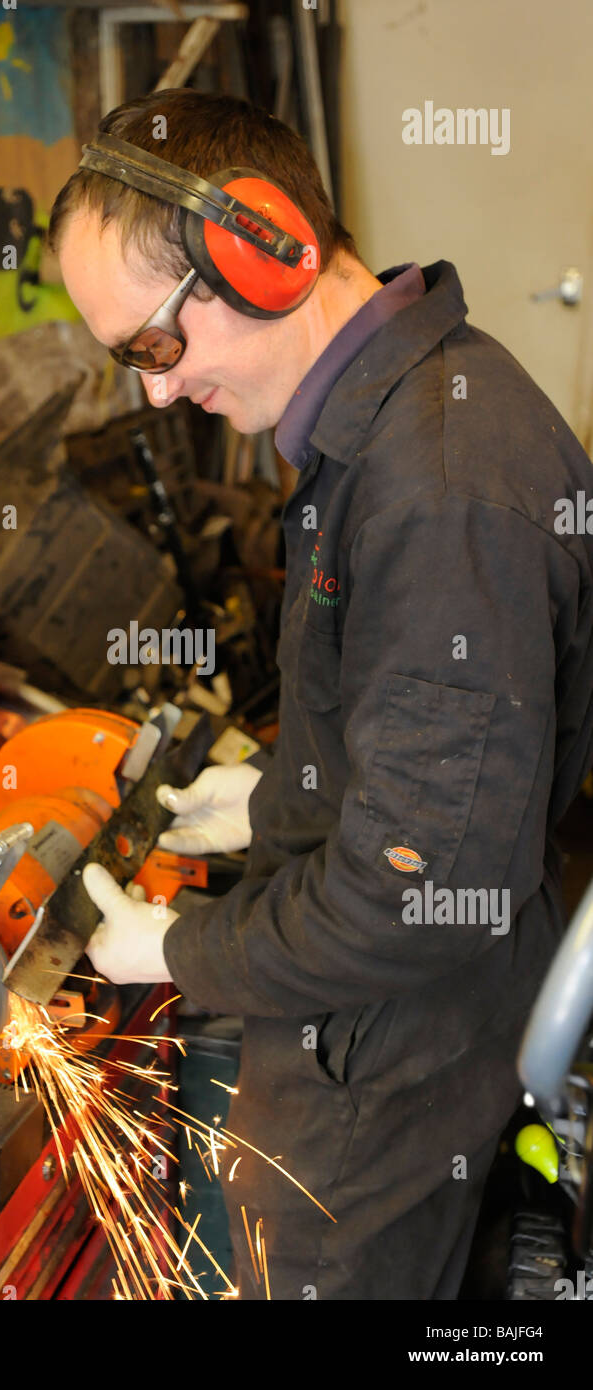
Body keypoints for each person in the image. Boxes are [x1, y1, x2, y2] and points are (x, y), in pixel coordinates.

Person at [47, 88, 593, 1299]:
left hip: (393, 1049)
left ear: (266, 252)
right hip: (403, 1003)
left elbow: (424, 890)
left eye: (152, 346)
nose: (152, 391)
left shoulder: (436, 491)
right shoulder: (399, 413)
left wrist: (182, 948)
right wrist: (282, 797)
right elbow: (428, 765)